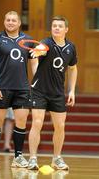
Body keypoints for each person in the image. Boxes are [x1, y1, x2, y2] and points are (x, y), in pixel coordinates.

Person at [0, 11, 37, 168]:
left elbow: (34, 63)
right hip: (3, 88)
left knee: (21, 122)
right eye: (8, 20)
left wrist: (35, 83)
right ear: (4, 21)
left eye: (14, 20)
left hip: (22, 88)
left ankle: (18, 157)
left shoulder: (28, 40)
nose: (10, 22)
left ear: (19, 23)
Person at [28, 16, 78, 170]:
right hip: (39, 90)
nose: (56, 28)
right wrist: (36, 53)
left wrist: (71, 90)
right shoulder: (46, 43)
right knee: (37, 123)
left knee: (60, 126)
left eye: (60, 26)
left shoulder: (71, 47)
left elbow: (73, 68)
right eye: (54, 25)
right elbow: (38, 52)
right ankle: (32, 158)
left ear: (66, 29)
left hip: (57, 92)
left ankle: (56, 158)